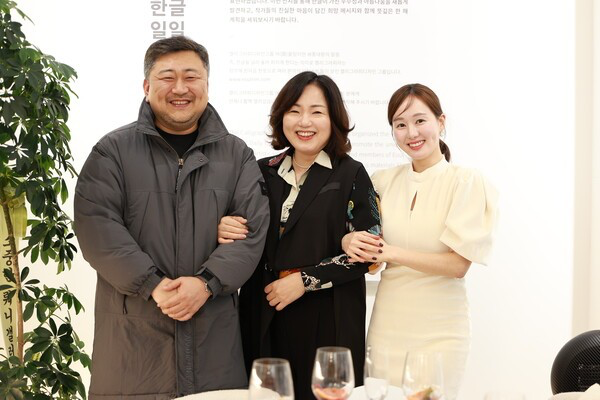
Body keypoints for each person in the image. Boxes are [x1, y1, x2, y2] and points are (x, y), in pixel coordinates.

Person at [74, 36, 269, 399]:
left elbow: (252, 230)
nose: (180, 88)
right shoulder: (112, 152)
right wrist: (153, 285)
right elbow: (97, 227)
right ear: (147, 86)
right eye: (167, 77)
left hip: (214, 346)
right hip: (133, 350)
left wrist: (206, 283)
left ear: (207, 85)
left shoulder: (236, 154)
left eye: (191, 77)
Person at [217, 71, 381, 399]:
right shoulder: (259, 170)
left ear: (334, 119)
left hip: (327, 315)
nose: (304, 121)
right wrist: (224, 227)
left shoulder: (351, 173)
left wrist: (304, 281)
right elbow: (241, 225)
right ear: (281, 118)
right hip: (263, 308)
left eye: (317, 112)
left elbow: (369, 252)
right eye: (294, 111)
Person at [342, 83, 498, 400]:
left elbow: (457, 265)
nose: (411, 133)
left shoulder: (466, 181)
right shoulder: (381, 181)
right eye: (400, 124)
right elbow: (371, 261)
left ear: (440, 122)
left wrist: (391, 252)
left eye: (420, 121)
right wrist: (349, 240)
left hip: (441, 329)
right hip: (387, 325)